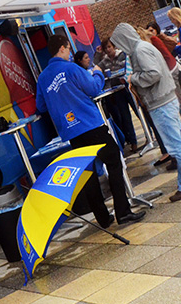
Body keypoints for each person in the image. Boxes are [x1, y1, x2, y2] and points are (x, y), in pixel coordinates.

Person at [35, 34, 145, 226]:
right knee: (114, 162)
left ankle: (102, 218)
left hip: (71, 134)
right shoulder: (71, 68)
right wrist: (97, 72)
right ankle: (123, 211)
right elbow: (94, 89)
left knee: (88, 174)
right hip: (90, 125)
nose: (70, 52)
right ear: (62, 48)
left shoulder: (43, 78)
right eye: (68, 49)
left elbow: (41, 106)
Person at [111, 24, 181, 202]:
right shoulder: (142, 47)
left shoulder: (140, 51)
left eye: (119, 43)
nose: (119, 48)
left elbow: (153, 74)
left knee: (176, 145)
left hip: (160, 102)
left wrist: (132, 78)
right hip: (165, 99)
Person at [148, 22, 181, 127]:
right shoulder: (153, 41)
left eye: (152, 30)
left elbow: (173, 43)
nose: (150, 33)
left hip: (174, 67)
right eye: (148, 31)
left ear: (156, 30)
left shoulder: (160, 39)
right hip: (171, 67)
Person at [100, 40, 140, 155]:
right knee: (125, 117)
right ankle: (133, 141)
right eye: (106, 48)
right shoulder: (104, 61)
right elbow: (97, 66)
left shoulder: (123, 55)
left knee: (138, 111)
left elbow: (128, 69)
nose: (108, 50)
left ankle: (150, 134)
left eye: (109, 47)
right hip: (117, 91)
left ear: (114, 46)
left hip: (128, 88)